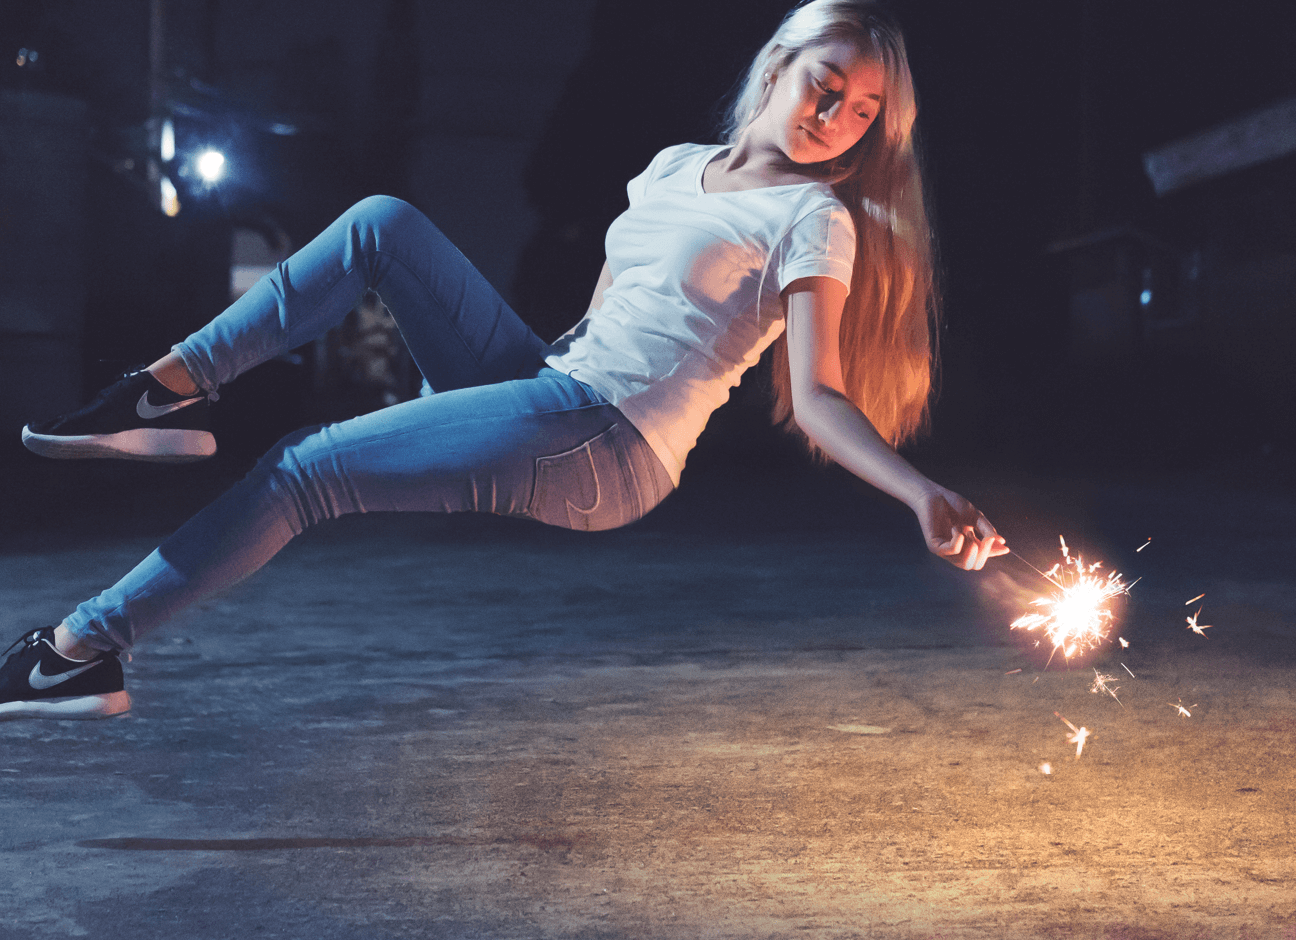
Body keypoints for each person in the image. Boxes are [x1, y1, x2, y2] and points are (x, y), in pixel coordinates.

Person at [1, 0, 1007, 721]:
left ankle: (78, 650)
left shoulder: (813, 219)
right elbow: (608, 317)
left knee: (304, 472)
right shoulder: (674, 168)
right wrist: (477, 387)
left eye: (863, 110)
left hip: (610, 442)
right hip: (553, 381)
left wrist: (923, 495)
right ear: (781, 62)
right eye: (827, 85)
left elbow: (819, 396)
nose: (836, 116)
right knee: (381, 226)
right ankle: (159, 391)